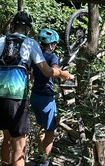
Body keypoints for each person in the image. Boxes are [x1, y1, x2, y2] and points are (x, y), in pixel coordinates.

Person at [0, 11, 74, 166]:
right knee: (19, 144)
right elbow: (47, 71)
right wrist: (63, 73)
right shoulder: (30, 43)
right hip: (15, 97)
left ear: (13, 24)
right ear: (28, 29)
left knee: (7, 138)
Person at [30, 28, 62, 166]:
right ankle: (44, 162)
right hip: (46, 98)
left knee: (41, 127)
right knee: (50, 131)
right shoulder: (52, 57)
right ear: (52, 44)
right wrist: (64, 73)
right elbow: (54, 70)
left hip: (35, 96)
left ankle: (39, 154)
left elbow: (31, 73)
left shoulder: (36, 57)